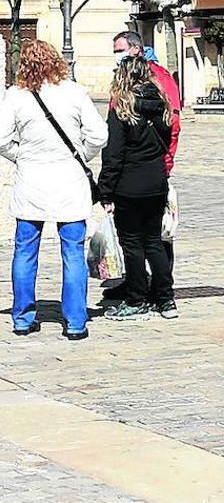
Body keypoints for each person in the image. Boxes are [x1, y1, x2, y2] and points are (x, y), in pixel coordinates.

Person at [0, 40, 107, 340]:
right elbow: (99, 134)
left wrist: (22, 155)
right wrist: (82, 155)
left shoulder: (17, 96)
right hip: (69, 182)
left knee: (25, 250)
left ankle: (23, 317)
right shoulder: (74, 92)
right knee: (73, 252)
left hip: (32, 182)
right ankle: (76, 320)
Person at [100, 55, 177, 320]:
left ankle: (136, 299)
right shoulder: (162, 105)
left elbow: (113, 154)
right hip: (156, 182)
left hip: (129, 185)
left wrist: (105, 191)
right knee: (154, 242)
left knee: (132, 245)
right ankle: (166, 300)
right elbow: (166, 144)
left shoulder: (122, 109)